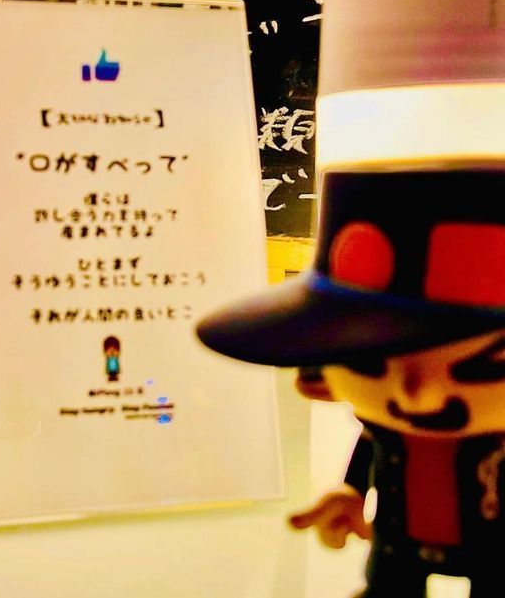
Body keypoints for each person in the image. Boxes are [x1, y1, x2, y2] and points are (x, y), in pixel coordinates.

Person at [197, 163, 505, 597]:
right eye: (370, 362)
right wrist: (351, 491)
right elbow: (370, 449)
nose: (419, 396)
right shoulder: (384, 430)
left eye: (483, 368)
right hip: (397, 543)